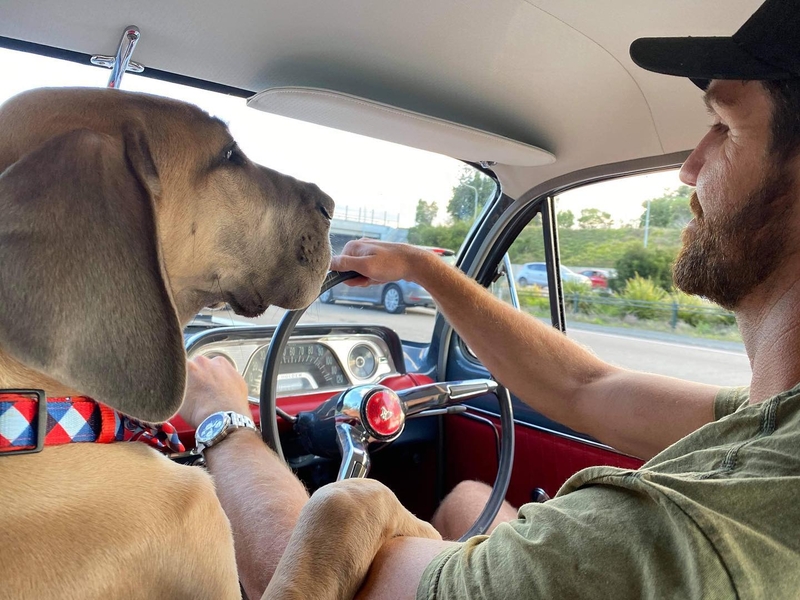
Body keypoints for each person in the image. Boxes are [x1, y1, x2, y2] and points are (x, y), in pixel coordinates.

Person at [179, 0, 800, 597]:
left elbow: (311, 578)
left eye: (725, 126)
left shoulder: (666, 547)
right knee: (469, 500)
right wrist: (426, 270)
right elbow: (584, 387)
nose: (691, 167)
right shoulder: (771, 425)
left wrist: (225, 419)